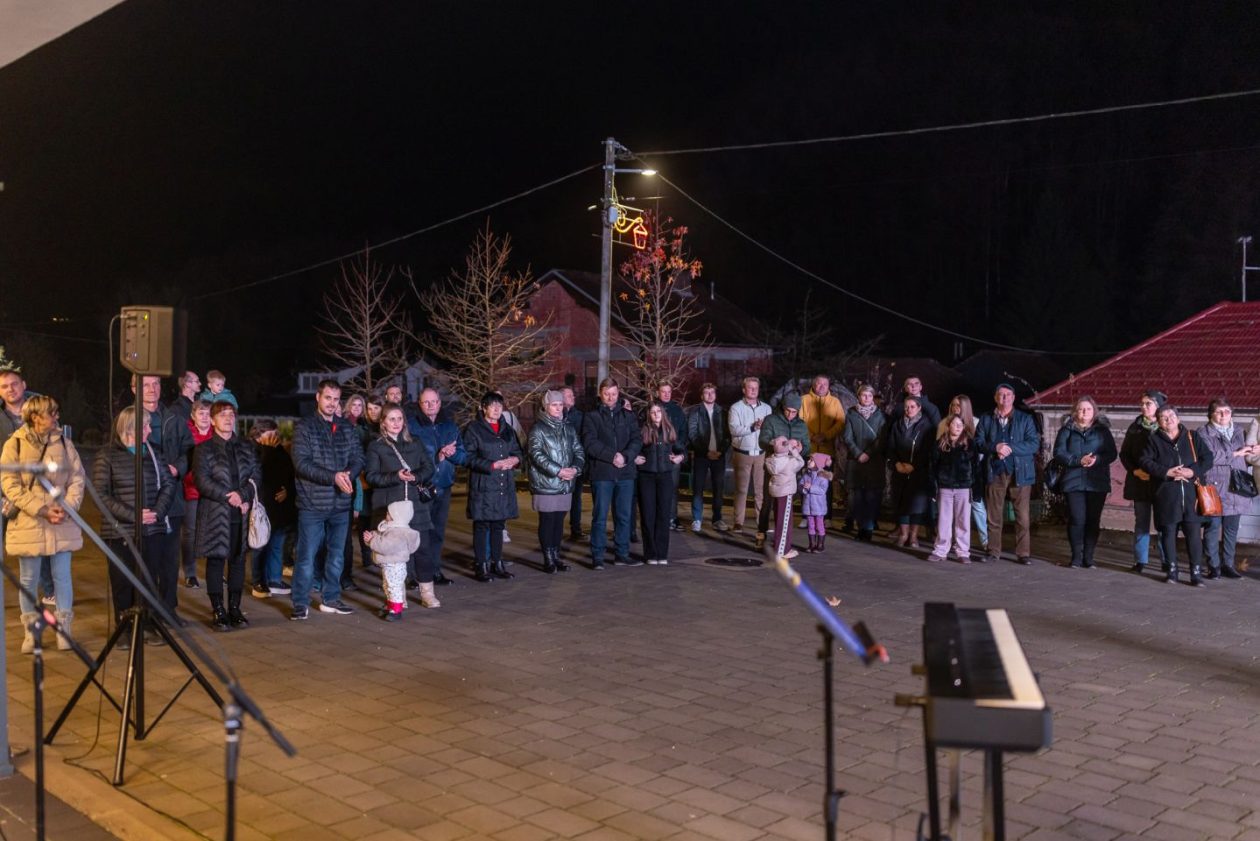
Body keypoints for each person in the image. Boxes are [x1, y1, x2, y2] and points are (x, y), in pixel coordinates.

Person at [1, 395, 86, 652]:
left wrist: (67, 507)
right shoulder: (13, 444)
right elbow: (9, 484)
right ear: (36, 416)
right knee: (28, 578)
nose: (56, 417)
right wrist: (40, 509)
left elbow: (77, 478)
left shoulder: (64, 442)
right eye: (52, 413)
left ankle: (64, 630)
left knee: (62, 577)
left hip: (61, 520)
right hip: (30, 522)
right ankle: (31, 632)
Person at [94, 407, 177, 646]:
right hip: (120, 531)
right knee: (122, 581)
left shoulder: (153, 453)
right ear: (130, 427)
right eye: (146, 426)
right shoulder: (107, 455)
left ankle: (148, 624)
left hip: (152, 529)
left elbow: (169, 485)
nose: (150, 430)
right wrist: (134, 516)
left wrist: (157, 513)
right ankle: (124, 628)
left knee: (149, 578)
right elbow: (101, 495)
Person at [290, 379, 365, 619]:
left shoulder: (346, 427)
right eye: (328, 398)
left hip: (341, 504)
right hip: (312, 503)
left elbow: (358, 457)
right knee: (306, 556)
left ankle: (331, 599)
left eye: (336, 399)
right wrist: (333, 477)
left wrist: (348, 475)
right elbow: (302, 464)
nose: (332, 403)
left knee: (337, 555)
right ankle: (300, 603)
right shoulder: (304, 427)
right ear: (318, 398)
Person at [193, 401, 260, 630]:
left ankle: (234, 608)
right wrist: (228, 496)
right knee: (215, 560)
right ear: (212, 420)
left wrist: (243, 495)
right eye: (222, 415)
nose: (228, 419)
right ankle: (218, 610)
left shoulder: (245, 446)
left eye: (231, 415)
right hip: (215, 512)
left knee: (238, 560)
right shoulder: (203, 449)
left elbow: (255, 476)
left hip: (240, 513)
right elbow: (202, 481)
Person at [365, 403, 439, 604]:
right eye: (391, 419)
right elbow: (371, 476)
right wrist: (395, 476)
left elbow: (429, 467)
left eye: (399, 419)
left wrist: (415, 476)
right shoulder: (376, 446)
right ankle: (397, 597)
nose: (396, 423)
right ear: (383, 423)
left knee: (423, 549)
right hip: (390, 507)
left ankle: (427, 593)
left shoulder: (415, 442)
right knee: (393, 554)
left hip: (415, 505)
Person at [132, 374, 193, 613]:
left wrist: (177, 467)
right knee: (147, 561)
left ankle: (168, 611)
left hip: (172, 502)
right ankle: (145, 612)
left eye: (155, 384)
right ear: (134, 389)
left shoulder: (174, 419)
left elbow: (189, 450)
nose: (151, 389)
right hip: (142, 500)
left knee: (169, 561)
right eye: (145, 385)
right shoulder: (128, 418)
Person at [1140, 404, 1213, 586]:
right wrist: (1166, 472)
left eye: (1171, 415)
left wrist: (1191, 471)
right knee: (1168, 534)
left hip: (1191, 494)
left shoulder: (1192, 436)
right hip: (1166, 493)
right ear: (1158, 422)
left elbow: (1208, 458)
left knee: (1194, 535)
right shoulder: (1153, 439)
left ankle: (1196, 573)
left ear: (1178, 418)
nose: (1168, 419)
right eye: (1163, 417)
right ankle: (1172, 571)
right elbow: (1144, 461)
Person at [0, 365, 55, 604]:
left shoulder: (41, 410)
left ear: (23, 385)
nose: (10, 389)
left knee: (38, 543)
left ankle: (50, 591)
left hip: (35, 491)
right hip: (4, 491)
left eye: (14, 384)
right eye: (4, 386)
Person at [975, 383, 1040, 564]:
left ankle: (1023, 553)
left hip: (1020, 472)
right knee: (994, 515)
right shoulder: (986, 418)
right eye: (1001, 395)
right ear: (996, 398)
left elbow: (1033, 444)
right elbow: (978, 442)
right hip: (995, 471)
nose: (1005, 398)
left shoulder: (1025, 419)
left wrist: (1010, 448)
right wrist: (995, 447)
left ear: (1013, 397)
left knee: (1022, 516)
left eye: (1008, 395)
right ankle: (993, 551)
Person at [408, 388, 466, 587]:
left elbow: (463, 456)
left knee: (437, 532)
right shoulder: (413, 427)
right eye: (426, 402)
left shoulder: (450, 426)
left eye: (434, 401)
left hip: (444, 486)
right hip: (422, 488)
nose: (431, 405)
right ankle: (414, 575)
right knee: (418, 532)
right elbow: (411, 458)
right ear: (420, 404)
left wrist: (451, 454)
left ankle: (434, 571)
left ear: (440, 403)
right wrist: (437, 457)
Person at [1052, 396, 1118, 569]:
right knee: (1076, 518)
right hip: (1073, 481)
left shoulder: (1102, 431)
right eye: (1081, 409)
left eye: (1088, 409)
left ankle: (1089, 557)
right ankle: (1075, 557)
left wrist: (1096, 459)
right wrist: (1077, 460)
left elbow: (1111, 453)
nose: (1084, 412)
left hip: (1097, 482)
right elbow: (1059, 452)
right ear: (1075, 411)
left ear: (1094, 411)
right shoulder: (1066, 430)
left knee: (1092, 520)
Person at [583, 377, 642, 569]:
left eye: (614, 394)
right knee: (600, 516)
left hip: (625, 474)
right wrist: (612, 456)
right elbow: (590, 443)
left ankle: (621, 554)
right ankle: (598, 556)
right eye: (607, 394)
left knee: (624, 516)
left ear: (618, 394)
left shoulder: (628, 416)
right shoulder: (591, 416)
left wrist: (625, 457)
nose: (610, 397)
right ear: (600, 393)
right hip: (602, 474)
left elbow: (637, 440)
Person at [463, 391, 522, 581]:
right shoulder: (474, 429)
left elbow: (518, 451)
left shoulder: (507, 429)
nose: (497, 409)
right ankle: (481, 565)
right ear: (483, 408)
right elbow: (467, 457)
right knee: (482, 526)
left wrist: (515, 459)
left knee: (498, 525)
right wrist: (491, 465)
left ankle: (497, 563)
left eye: (500, 405)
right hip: (484, 485)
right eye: (492, 405)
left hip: (503, 484)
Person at [1197, 397, 1259, 579]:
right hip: (1215, 485)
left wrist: (1253, 451)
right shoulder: (1203, 433)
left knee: (1231, 529)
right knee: (1213, 527)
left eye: (1227, 411)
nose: (1224, 415)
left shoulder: (1240, 431)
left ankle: (1228, 564)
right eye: (1219, 412)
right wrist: (1236, 453)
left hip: (1237, 486)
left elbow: (1247, 454)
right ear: (1211, 414)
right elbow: (1209, 456)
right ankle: (1213, 566)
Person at [527, 390, 584, 573]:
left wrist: (575, 469)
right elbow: (536, 455)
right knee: (548, 520)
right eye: (554, 405)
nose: (558, 408)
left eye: (560, 405)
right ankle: (548, 558)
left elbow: (579, 451)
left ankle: (556, 555)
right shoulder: (538, 429)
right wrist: (558, 471)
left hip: (565, 483)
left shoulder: (568, 428)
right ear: (546, 406)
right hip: (546, 483)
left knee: (559, 521)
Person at [1120, 390, 1167, 575]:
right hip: (1140, 481)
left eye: (1148, 403)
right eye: (1142, 403)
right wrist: (1135, 470)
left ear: (1158, 406)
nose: (1144, 407)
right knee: (1141, 522)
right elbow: (1124, 454)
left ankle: (1167, 559)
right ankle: (1140, 560)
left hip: (1162, 483)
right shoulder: (1135, 427)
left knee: (1164, 523)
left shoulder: (1168, 425)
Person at [756, 394, 811, 549]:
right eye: (788, 410)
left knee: (785, 506)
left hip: (790, 471)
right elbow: (763, 441)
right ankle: (761, 532)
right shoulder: (771, 420)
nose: (790, 414)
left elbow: (807, 446)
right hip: (774, 468)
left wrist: (801, 448)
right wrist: (781, 444)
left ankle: (781, 539)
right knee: (767, 502)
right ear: (783, 407)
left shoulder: (801, 425)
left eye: (794, 412)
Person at [248, 419, 295, 598]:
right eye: (271, 434)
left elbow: (290, 473)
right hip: (262, 504)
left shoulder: (280, 451)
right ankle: (258, 580)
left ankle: (274, 579)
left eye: (276, 434)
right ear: (259, 434)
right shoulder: (252, 450)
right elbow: (259, 472)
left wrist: (287, 490)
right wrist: (267, 450)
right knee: (260, 544)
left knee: (277, 543)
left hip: (279, 507)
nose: (275, 438)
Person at [635, 401, 686, 564]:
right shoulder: (642, 431)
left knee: (663, 515)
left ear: (663, 413)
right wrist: (634, 458)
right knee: (648, 515)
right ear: (649, 415)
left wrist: (680, 457)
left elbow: (680, 449)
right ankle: (650, 554)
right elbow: (633, 449)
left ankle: (662, 554)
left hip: (665, 476)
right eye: (652, 411)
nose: (656, 414)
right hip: (646, 477)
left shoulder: (669, 431)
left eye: (658, 411)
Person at [941, 394, 987, 552]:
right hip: (949, 476)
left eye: (958, 406)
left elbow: (980, 448)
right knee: (950, 512)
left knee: (977, 506)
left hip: (970, 473)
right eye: (953, 405)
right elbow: (940, 446)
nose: (955, 408)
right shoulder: (945, 422)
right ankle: (951, 542)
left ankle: (986, 540)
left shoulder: (976, 423)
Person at [928, 413, 976, 563]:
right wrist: (933, 485)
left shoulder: (969, 444)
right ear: (948, 426)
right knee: (944, 519)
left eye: (960, 425)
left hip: (964, 487)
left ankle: (963, 552)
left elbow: (976, 467)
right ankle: (941, 550)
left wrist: (976, 487)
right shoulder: (940, 444)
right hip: (945, 487)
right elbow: (932, 466)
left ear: (963, 428)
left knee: (963, 521)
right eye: (954, 424)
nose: (957, 427)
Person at [887, 395, 933, 547]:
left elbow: (927, 450)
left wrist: (915, 465)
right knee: (901, 503)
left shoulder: (927, 426)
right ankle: (903, 534)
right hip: (900, 470)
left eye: (912, 406)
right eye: (906, 407)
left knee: (916, 505)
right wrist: (897, 464)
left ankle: (913, 536)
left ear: (919, 407)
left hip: (918, 471)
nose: (909, 410)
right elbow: (891, 448)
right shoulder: (897, 425)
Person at [363, 499, 421, 621]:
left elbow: (385, 546)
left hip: (395, 565)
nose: (386, 515)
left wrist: (372, 540)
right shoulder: (392, 528)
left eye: (389, 513)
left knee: (394, 587)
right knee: (388, 585)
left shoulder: (398, 532)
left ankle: (396, 610)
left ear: (397, 517)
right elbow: (382, 539)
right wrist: (373, 537)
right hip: (389, 565)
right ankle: (391, 606)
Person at [728, 376, 772, 537]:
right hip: (742, 453)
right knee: (741, 490)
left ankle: (762, 522)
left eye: (756, 387)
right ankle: (738, 522)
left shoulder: (767, 408)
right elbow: (734, 429)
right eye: (750, 387)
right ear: (744, 390)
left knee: (761, 491)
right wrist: (753, 427)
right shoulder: (736, 408)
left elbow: (770, 429)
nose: (753, 390)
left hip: (761, 453)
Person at [843, 385, 886, 542]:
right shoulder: (851, 414)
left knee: (871, 496)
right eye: (863, 395)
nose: (866, 398)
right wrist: (858, 453)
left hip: (873, 461)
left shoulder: (881, 416)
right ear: (858, 396)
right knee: (857, 497)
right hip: (856, 461)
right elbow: (847, 437)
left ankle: (867, 529)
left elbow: (881, 439)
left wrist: (868, 453)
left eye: (869, 395)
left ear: (873, 397)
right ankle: (861, 527)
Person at [799, 375, 845, 523]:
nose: (822, 386)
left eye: (825, 384)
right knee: (806, 483)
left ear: (828, 385)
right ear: (813, 384)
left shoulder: (835, 402)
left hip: (827, 451)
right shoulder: (804, 400)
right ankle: (806, 516)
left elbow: (840, 423)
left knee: (825, 484)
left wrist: (825, 435)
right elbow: (799, 421)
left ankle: (827, 517)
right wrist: (812, 436)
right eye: (819, 383)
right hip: (808, 449)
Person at [686, 383, 731, 532]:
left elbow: (727, 435)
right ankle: (697, 519)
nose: (710, 395)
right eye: (706, 393)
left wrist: (721, 451)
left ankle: (717, 519)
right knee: (698, 488)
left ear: (715, 394)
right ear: (702, 396)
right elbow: (692, 434)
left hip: (719, 456)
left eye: (712, 392)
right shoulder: (695, 412)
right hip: (701, 456)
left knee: (718, 489)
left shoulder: (722, 412)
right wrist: (706, 452)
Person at [180, 399, 214, 589]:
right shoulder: (186, 434)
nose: (205, 417)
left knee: (212, 531)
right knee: (190, 533)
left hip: (211, 491)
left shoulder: (216, 434)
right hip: (191, 490)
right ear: (193, 415)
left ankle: (213, 572)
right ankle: (190, 572)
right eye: (201, 413)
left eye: (208, 413)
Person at [654, 383, 689, 531]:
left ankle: (672, 518)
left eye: (669, 391)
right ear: (657, 392)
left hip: (674, 455)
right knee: (657, 489)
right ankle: (658, 518)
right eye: (663, 392)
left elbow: (683, 432)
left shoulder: (677, 410)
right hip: (656, 455)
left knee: (673, 489)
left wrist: (678, 450)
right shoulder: (653, 409)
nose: (667, 394)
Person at [765, 436, 805, 558]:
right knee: (785, 522)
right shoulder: (790, 461)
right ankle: (782, 550)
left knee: (779, 519)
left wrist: (789, 448)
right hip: (786, 492)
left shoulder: (770, 460)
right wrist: (795, 450)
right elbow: (801, 462)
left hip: (776, 491)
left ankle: (779, 546)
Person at [561, 386, 586, 540]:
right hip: (561, 464)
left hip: (575, 464)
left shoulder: (580, 416)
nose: (573, 397)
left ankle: (575, 529)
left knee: (576, 497)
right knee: (561, 497)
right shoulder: (556, 416)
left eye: (572, 395)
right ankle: (556, 527)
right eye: (569, 395)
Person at [800, 453, 832, 553]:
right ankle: (812, 544)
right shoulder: (806, 475)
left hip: (818, 507)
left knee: (819, 525)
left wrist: (811, 487)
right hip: (808, 507)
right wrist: (803, 488)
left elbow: (822, 490)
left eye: (811, 460)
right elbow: (800, 486)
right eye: (809, 459)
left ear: (818, 463)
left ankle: (820, 544)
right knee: (810, 526)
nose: (808, 461)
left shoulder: (823, 477)